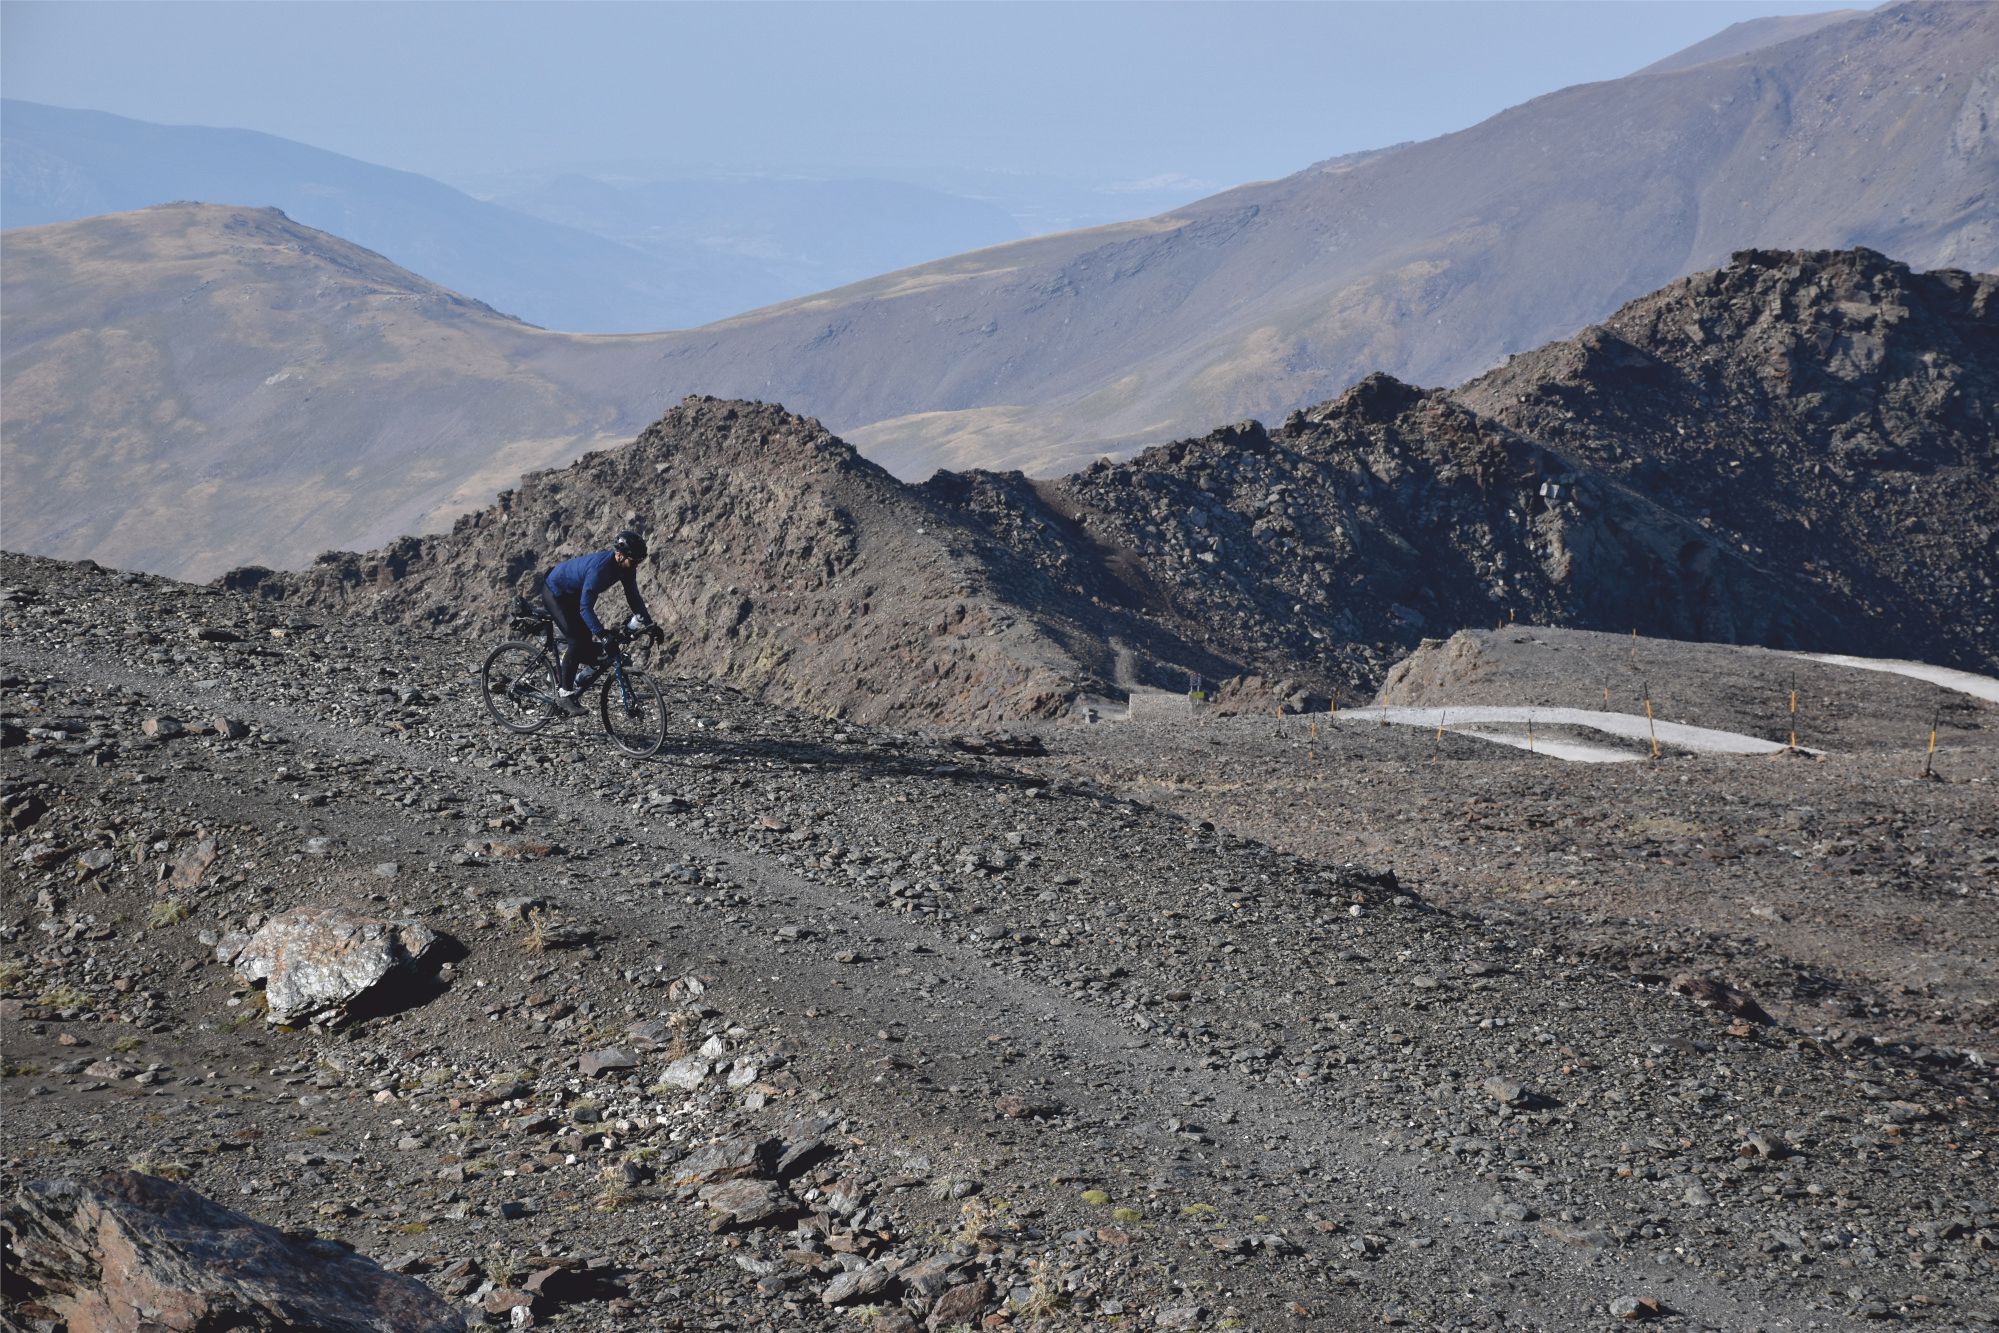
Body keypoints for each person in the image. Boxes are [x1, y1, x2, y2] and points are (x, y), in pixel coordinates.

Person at [539, 530, 660, 714]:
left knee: (586, 642)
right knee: (576, 641)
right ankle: (564, 694)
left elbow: (633, 597)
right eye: (634, 561)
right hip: (555, 593)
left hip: (573, 595)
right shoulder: (600, 569)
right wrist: (603, 635)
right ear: (619, 555)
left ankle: (558, 674)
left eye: (639, 561)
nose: (636, 565)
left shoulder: (627, 567)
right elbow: (585, 608)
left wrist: (650, 625)